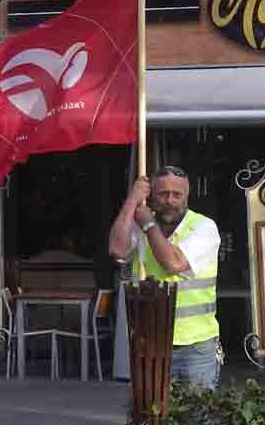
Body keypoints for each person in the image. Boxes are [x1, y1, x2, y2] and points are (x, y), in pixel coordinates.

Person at [108, 165, 222, 390]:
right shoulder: (142, 224)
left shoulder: (203, 226)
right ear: (152, 196)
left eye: (177, 194)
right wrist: (132, 201)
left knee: (198, 416)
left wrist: (149, 225)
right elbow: (116, 250)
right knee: (151, 415)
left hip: (196, 345)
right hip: (151, 340)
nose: (170, 200)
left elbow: (173, 264)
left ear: (186, 196)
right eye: (163, 194)